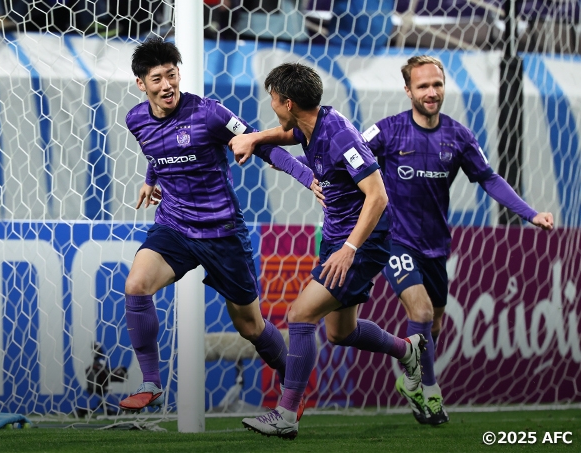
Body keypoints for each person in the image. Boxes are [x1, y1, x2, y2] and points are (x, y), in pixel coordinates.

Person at [118, 37, 321, 414]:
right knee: (136, 285)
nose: (167, 85)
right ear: (141, 84)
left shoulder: (209, 113)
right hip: (175, 226)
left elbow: (261, 145)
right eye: (157, 79)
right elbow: (157, 150)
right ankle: (150, 382)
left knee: (250, 327)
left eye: (172, 75)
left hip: (221, 232)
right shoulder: (136, 119)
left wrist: (306, 176)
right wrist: (150, 179)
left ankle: (290, 380)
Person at [229, 63, 426, 440]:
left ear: (288, 102)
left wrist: (350, 249)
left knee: (300, 315)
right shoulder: (311, 124)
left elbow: (378, 196)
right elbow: (286, 135)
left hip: (361, 243)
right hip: (337, 238)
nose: (270, 104)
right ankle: (407, 350)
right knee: (340, 332)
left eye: (273, 99)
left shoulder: (339, 135)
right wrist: (254, 138)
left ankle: (287, 413)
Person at [361, 55, 554, 425]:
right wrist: (318, 182)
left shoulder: (459, 136)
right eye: (423, 86)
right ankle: (428, 391)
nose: (431, 92)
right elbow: (350, 157)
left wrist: (530, 214)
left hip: (436, 245)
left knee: (433, 326)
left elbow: (489, 178)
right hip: (395, 240)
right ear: (408, 91)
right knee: (420, 313)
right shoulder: (386, 131)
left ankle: (413, 382)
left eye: (437, 84)